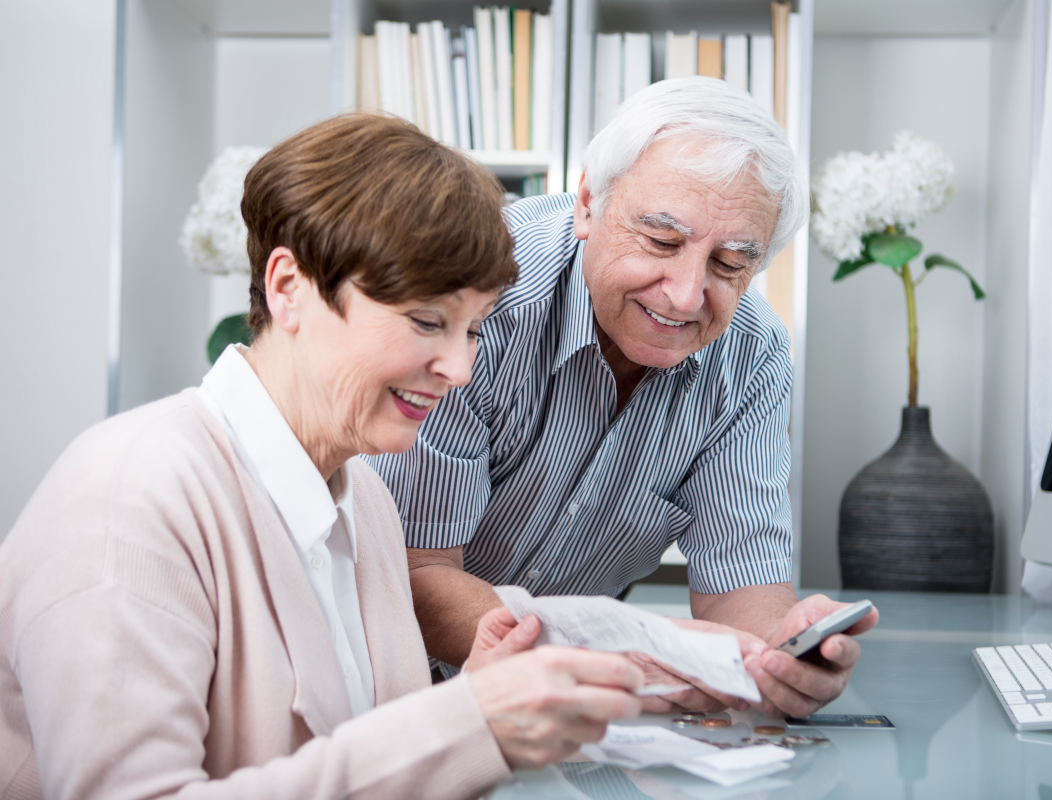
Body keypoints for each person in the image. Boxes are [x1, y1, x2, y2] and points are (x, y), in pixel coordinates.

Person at [0, 115, 644, 800]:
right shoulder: (129, 494)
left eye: (475, 330)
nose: (459, 368)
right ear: (289, 288)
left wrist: (473, 701)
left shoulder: (366, 499)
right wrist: (464, 726)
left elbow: (370, 752)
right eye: (427, 321)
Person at [367, 77, 879, 721]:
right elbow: (411, 575)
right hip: (387, 687)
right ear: (587, 202)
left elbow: (741, 587)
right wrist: (609, 653)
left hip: (559, 705)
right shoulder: (478, 292)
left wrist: (778, 656)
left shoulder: (753, 353)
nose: (687, 294)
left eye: (729, 264)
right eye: (662, 242)